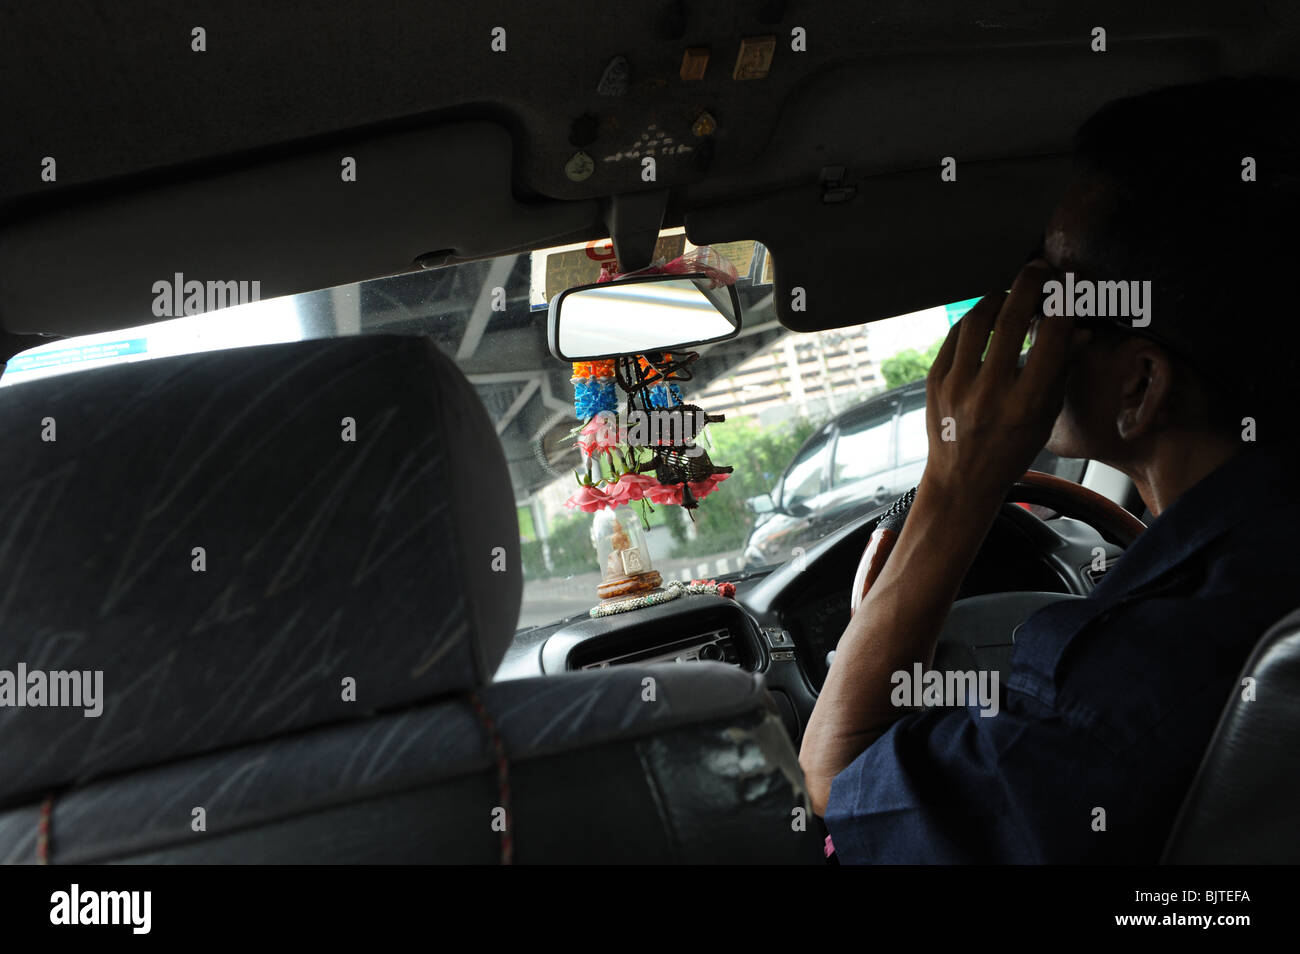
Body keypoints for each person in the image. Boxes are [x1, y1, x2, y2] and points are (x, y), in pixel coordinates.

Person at [799, 76, 1300, 863]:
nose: (1025, 322)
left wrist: (958, 485)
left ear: (1138, 385)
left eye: (1055, 289)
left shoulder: (1136, 678)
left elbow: (836, 784)